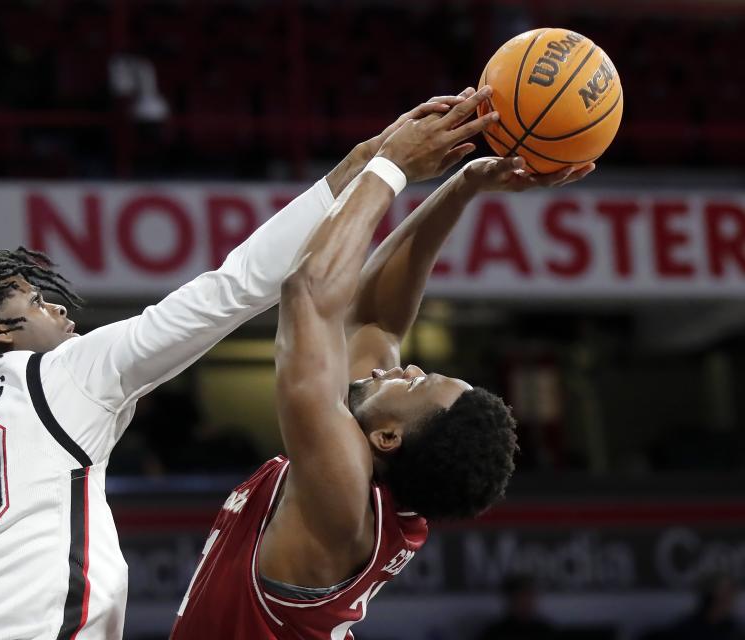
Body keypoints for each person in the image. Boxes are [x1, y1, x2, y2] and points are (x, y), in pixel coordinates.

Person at [0, 97, 478, 640]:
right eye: (33, 301)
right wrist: (381, 166)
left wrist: (372, 162)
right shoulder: (61, 374)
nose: (56, 303)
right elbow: (237, 286)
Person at [171, 85, 594, 639]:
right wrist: (462, 186)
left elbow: (308, 291)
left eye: (420, 385)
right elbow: (376, 321)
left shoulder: (341, 495)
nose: (410, 369)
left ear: (389, 438)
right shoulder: (373, 469)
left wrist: (393, 166)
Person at [646, 573, 743, 640]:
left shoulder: (733, 629)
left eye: (732, 593)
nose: (730, 599)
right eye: (725, 594)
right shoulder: (688, 629)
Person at [477, 574, 557, 640]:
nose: (525, 603)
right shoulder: (494, 633)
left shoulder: (546, 632)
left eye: (528, 596)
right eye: (520, 598)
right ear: (510, 600)